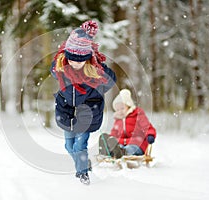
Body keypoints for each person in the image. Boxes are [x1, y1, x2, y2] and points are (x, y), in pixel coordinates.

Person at [50, 20, 116, 185]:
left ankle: (83, 174)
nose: (75, 63)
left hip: (87, 113)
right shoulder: (63, 70)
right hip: (68, 113)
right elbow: (53, 66)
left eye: (80, 60)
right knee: (69, 146)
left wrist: (98, 64)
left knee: (80, 146)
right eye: (71, 59)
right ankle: (84, 164)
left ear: (87, 59)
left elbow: (111, 79)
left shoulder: (93, 73)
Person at [99, 89, 156, 158]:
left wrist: (150, 135)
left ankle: (122, 152)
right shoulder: (118, 119)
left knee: (130, 148)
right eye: (117, 110)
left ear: (128, 106)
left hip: (137, 143)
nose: (120, 111)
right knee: (118, 145)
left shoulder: (137, 114)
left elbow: (147, 127)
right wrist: (110, 139)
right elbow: (114, 132)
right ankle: (110, 151)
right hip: (122, 143)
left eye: (122, 108)